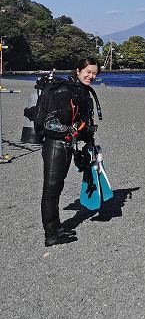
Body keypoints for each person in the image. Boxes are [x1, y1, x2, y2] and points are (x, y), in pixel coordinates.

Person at [40, 57, 100, 246]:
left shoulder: (81, 91)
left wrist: (86, 137)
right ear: (78, 71)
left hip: (66, 145)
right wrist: (74, 131)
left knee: (57, 187)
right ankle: (51, 234)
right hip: (55, 145)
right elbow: (50, 124)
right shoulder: (65, 91)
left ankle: (56, 227)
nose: (91, 76)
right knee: (51, 189)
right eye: (88, 72)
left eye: (94, 73)